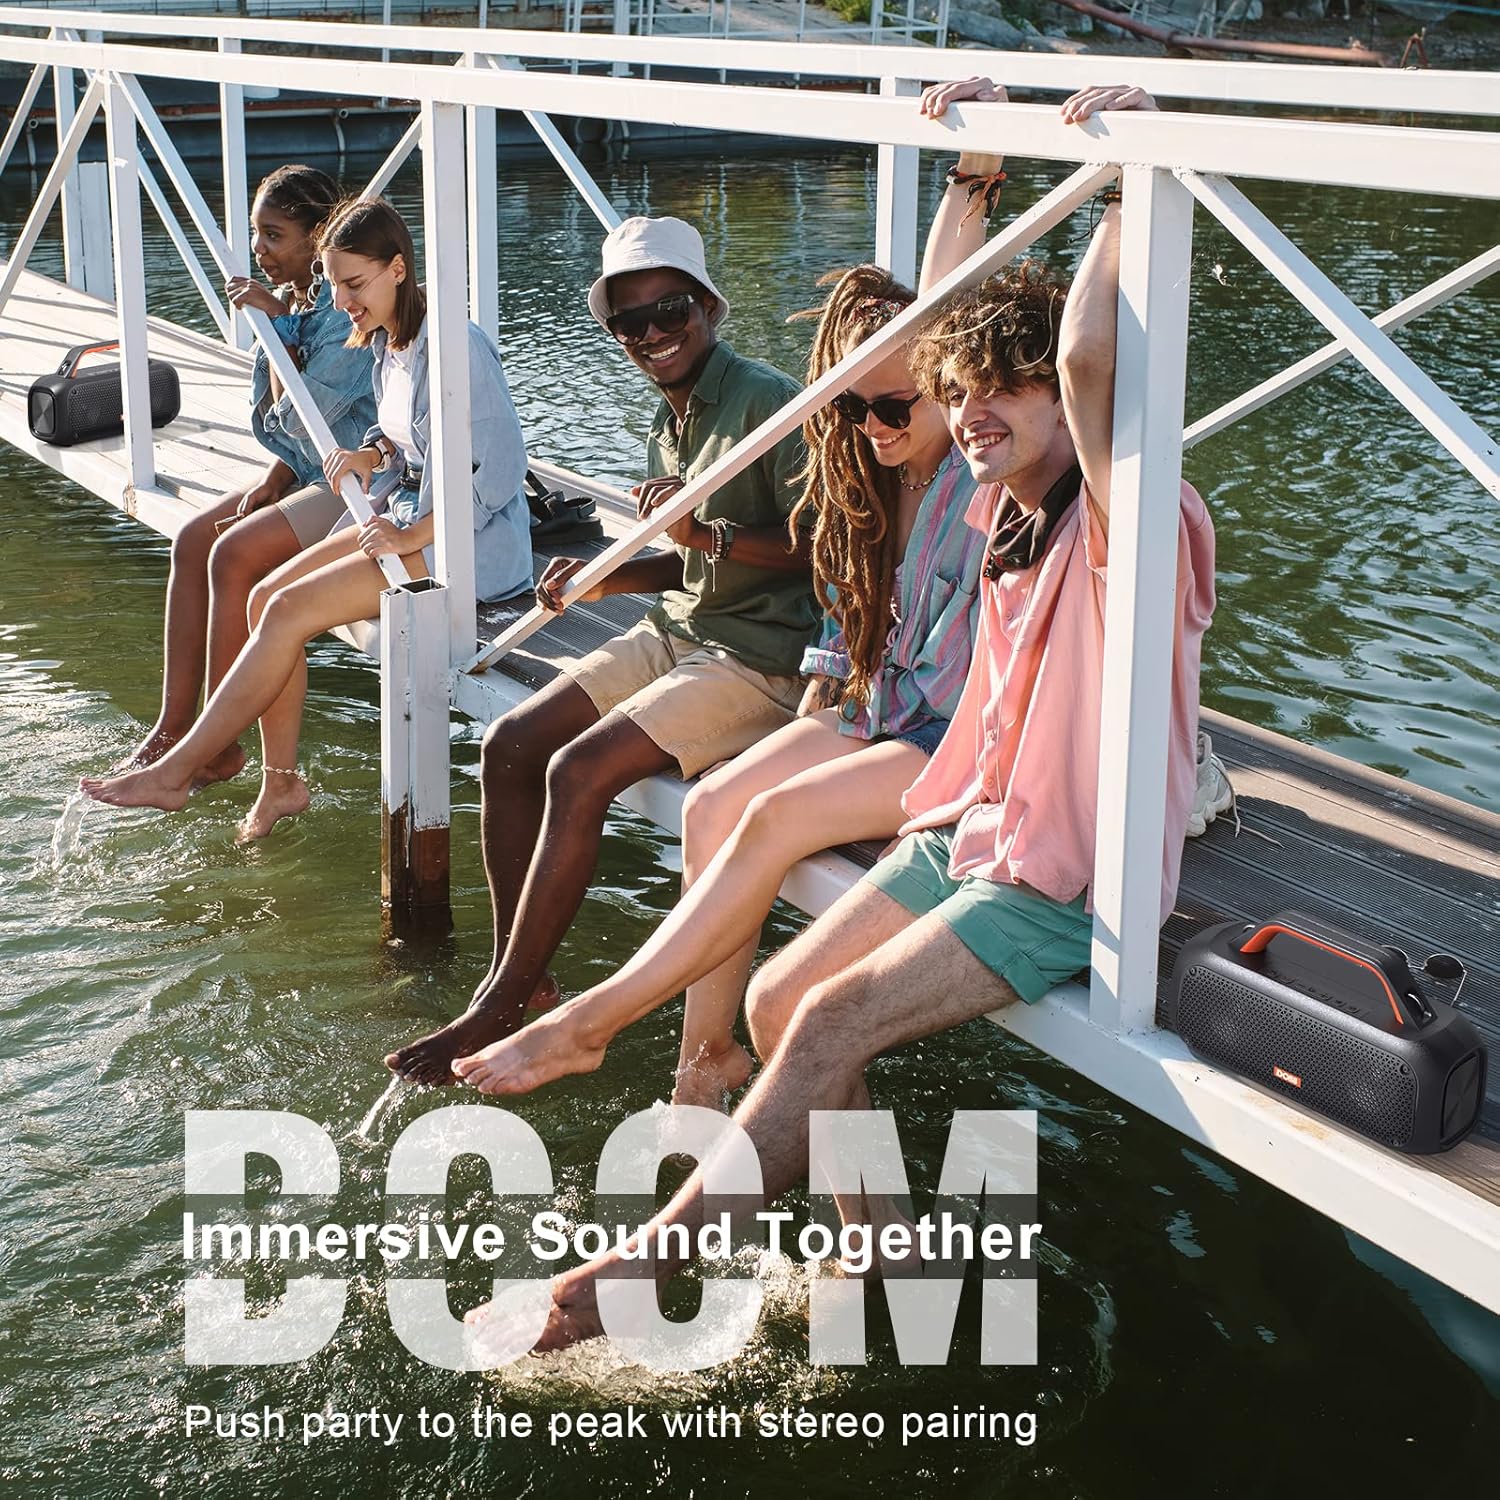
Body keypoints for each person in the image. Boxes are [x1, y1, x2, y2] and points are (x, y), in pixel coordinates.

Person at [464, 80, 1218, 1354]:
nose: (969, 414)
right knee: (775, 1002)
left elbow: (1091, 362)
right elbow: (937, 337)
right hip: (967, 829)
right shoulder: (995, 507)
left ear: (1072, 409)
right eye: (961, 394)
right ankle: (881, 1246)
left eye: (1009, 393)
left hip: (1062, 880)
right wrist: (974, 176)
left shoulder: (1128, 527)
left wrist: (1128, 177)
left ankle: (631, 1278)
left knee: (822, 1021)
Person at [449, 245, 990, 1108]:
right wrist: (612, 577)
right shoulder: (872, 469)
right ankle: (700, 1061)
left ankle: (584, 1020)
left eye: (892, 406)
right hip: (862, 696)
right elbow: (840, 606)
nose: (871, 425)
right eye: (851, 407)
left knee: (758, 877)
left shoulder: (982, 481)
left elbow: (973, 318)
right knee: (693, 805)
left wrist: (975, 185)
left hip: (934, 732)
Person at [384, 215, 818, 1085]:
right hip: (680, 630)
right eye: (629, 323)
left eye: (669, 312)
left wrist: (708, 536)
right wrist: (602, 581)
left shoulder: (769, 403)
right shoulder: (670, 415)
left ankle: (501, 1002)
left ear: (707, 307)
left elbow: (822, 548)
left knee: (578, 772)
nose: (652, 334)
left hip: (759, 658)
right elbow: (688, 560)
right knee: (510, 745)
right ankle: (522, 975)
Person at [81, 198, 533, 836]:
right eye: (335, 285)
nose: (342, 302)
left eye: (355, 284)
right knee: (264, 596)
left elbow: (497, 472)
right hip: (405, 519)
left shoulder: (457, 347)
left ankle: (176, 771)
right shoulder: (388, 340)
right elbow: (404, 435)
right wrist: (372, 453)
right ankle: (281, 784)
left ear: (397, 269)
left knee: (289, 610)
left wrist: (413, 534)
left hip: (470, 547)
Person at [122, 165, 376, 783]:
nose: (258, 250)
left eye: (274, 235)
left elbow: (306, 415)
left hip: (359, 483)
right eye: (256, 233)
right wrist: (275, 475)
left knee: (233, 556)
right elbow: (297, 439)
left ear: (318, 238)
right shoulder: (301, 299)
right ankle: (173, 726)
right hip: (310, 470)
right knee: (193, 540)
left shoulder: (344, 313)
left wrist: (278, 328)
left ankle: (217, 743)